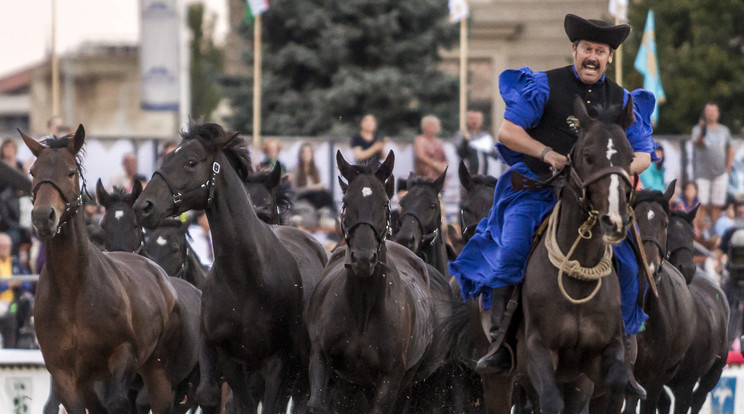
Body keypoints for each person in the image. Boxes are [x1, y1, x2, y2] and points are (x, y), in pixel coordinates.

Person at [448, 14, 656, 397]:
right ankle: (502, 343)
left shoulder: (624, 101)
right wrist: (548, 153)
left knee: (631, 260)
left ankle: (621, 354)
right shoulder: (543, 85)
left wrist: (617, 169)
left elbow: (644, 154)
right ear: (574, 50)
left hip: (595, 199)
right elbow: (508, 131)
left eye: (601, 51)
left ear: (610, 58)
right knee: (512, 249)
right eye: (587, 49)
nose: (593, 57)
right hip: (536, 189)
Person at [691, 103, 734, 233]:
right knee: (701, 204)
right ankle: (700, 233)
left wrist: (728, 167)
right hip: (703, 173)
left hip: (720, 172)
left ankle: (715, 234)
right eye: (708, 111)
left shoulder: (724, 130)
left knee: (717, 204)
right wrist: (703, 131)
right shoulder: (698, 129)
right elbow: (698, 144)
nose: (711, 113)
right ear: (704, 113)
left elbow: (730, 148)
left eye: (714, 111)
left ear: (718, 113)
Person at [292, 143, 335, 214]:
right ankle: (335, 213)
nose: (306, 154)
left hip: (314, 197)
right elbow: (294, 190)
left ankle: (334, 214)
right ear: (300, 155)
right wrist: (311, 188)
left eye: (308, 152)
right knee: (322, 193)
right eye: (304, 152)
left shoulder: (316, 170)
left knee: (327, 192)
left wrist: (319, 187)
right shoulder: (296, 170)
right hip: (301, 197)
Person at [455, 110, 498, 176]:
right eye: (472, 119)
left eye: (477, 119)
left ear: (481, 121)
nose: (474, 121)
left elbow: (494, 155)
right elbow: (460, 154)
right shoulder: (462, 135)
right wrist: (465, 141)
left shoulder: (486, 137)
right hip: (468, 176)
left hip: (484, 176)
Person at [414, 115, 448, 180]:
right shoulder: (419, 140)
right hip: (424, 174)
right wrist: (435, 164)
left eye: (434, 126)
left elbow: (444, 158)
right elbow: (421, 156)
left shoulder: (439, 142)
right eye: (429, 126)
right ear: (424, 127)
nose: (431, 129)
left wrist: (443, 166)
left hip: (438, 175)